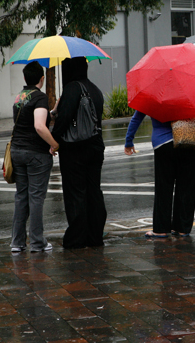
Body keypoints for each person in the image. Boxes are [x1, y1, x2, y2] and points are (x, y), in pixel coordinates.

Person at [51, 57, 107, 248]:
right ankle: (95, 236)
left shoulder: (72, 88)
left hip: (74, 151)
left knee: (76, 193)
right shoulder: (94, 89)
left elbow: (64, 119)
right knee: (93, 192)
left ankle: (76, 238)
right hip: (96, 148)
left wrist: (53, 140)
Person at [124, 110, 195, 238]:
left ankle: (161, 229)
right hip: (190, 141)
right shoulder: (189, 90)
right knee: (187, 187)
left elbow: (137, 117)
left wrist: (129, 141)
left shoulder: (152, 93)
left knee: (164, 187)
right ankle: (182, 228)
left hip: (164, 143)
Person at [9, 61, 59, 253]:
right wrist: (54, 144)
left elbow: (30, 120)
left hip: (17, 152)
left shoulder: (19, 97)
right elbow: (39, 126)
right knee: (36, 197)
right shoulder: (40, 97)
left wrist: (52, 112)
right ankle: (38, 242)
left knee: (21, 196)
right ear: (42, 78)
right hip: (36, 154)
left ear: (24, 78)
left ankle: (17, 242)